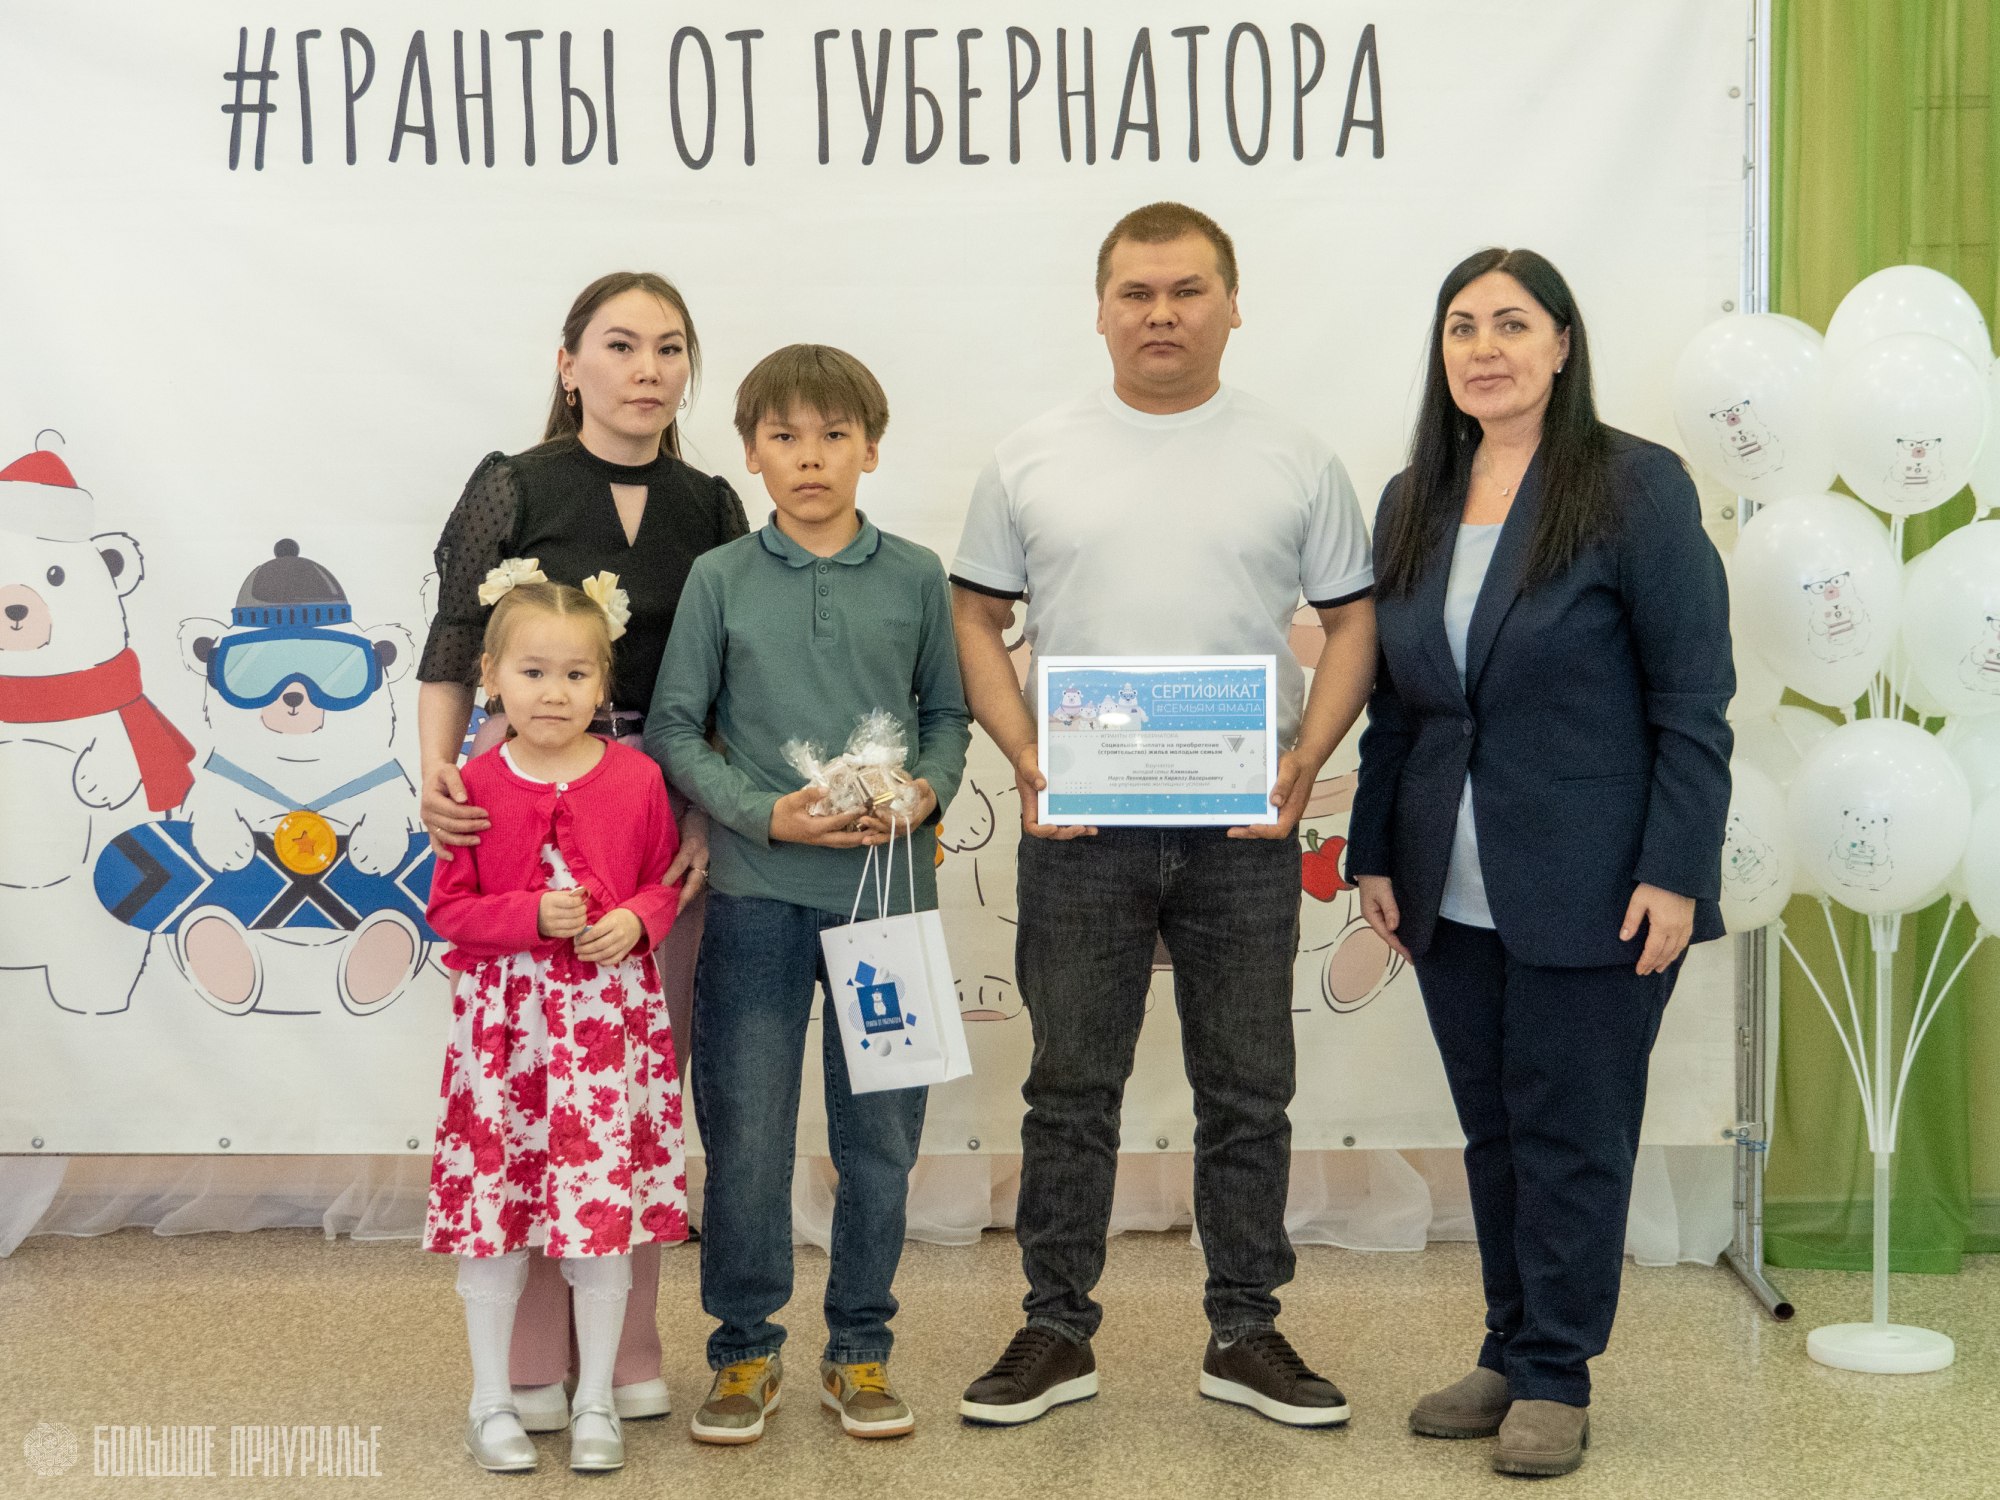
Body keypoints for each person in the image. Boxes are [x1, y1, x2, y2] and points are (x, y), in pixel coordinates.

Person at [950, 202, 1377, 1428]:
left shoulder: (1295, 458)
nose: (1161, 314)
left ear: (1231, 306)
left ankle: (1245, 1332)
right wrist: (1024, 755)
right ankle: (1054, 1331)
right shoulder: (1030, 456)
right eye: (1135, 292)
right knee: (1068, 1090)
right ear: (1099, 310)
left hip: (1241, 833)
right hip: (1079, 833)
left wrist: (1304, 760)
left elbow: (1352, 619)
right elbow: (973, 614)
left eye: (1187, 290)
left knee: (1245, 1089)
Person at [1348, 248, 1732, 1478]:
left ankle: (1557, 1374)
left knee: (1572, 1133)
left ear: (1562, 345)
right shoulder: (1413, 496)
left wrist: (1674, 869)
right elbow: (1400, 705)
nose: (1484, 349)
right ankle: (1507, 1347)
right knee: (1496, 1134)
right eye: (1461, 326)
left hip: (1597, 881)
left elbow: (1691, 698)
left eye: (1512, 324)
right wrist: (1373, 852)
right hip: (1446, 886)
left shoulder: (1631, 485)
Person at [415, 271, 745, 1429]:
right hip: (522, 794)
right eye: (619, 345)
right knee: (525, 1088)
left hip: (655, 802)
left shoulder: (712, 502)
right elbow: (452, 640)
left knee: (633, 1087)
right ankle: (530, 1358)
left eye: (669, 348)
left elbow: (732, 673)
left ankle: (630, 1343)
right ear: (569, 366)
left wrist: (704, 808)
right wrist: (439, 772)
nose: (646, 369)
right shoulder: (512, 483)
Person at [647, 345, 971, 1445]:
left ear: (870, 449)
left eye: (834, 435)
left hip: (889, 904)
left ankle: (861, 1351)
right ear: (750, 454)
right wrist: (764, 815)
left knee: (879, 1140)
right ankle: (743, 1353)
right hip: (755, 898)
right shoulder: (720, 577)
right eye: (784, 437)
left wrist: (927, 791)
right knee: (746, 1139)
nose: (810, 457)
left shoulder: (917, 574)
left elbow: (946, 715)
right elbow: (673, 727)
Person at [423, 580, 688, 1475]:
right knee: (497, 1212)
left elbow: (661, 880)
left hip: (605, 1034)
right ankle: (490, 1399)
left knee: (600, 1213)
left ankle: (598, 1399)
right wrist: (530, 917)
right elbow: (448, 910)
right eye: (533, 672)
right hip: (507, 1037)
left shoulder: (637, 779)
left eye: (576, 674)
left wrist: (640, 921)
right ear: (491, 676)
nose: (553, 693)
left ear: (603, 683)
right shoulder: (473, 786)